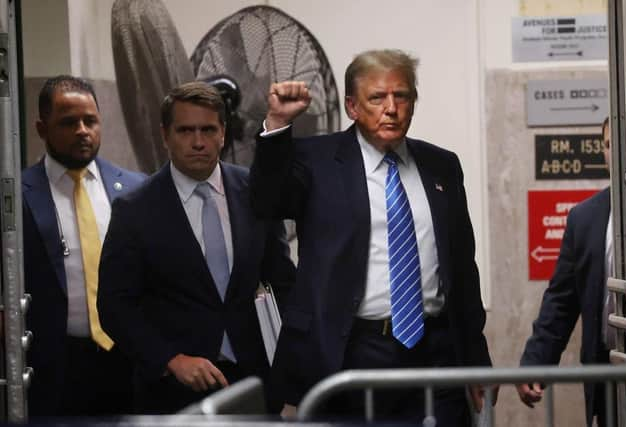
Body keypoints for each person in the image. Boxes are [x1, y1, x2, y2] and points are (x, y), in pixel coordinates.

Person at [250, 49, 495, 424]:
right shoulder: (316, 160)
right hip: (353, 349)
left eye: (402, 96)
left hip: (436, 349)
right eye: (377, 98)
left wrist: (477, 356)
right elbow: (266, 202)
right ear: (352, 106)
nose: (392, 108)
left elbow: (461, 265)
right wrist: (278, 124)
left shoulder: (441, 165)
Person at [97, 81, 296, 414]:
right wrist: (170, 360)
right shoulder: (136, 208)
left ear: (223, 132)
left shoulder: (255, 193)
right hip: (172, 391)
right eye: (186, 130)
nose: (199, 142)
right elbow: (115, 306)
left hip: (254, 384)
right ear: (165, 135)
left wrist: (294, 365)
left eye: (208, 129)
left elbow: (284, 282)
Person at [22, 75, 146, 416]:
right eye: (68, 122)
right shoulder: (18, 196)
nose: (82, 131)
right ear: (41, 128)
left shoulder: (135, 189)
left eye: (90, 121)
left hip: (126, 359)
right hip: (55, 365)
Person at [517, 117, 613, 426]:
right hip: (609, 379)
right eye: (609, 144)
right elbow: (561, 300)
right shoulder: (585, 219)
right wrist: (536, 363)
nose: (614, 152)